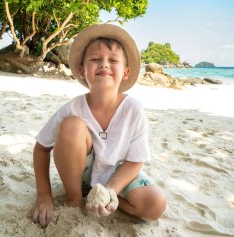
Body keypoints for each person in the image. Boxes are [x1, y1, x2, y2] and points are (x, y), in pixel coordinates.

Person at [32, 24, 166, 227]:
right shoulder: (73, 108)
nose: (104, 64)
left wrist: (111, 189)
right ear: (81, 70)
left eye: (113, 60)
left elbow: (135, 161)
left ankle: (108, 199)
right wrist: (44, 194)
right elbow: (41, 148)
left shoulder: (134, 110)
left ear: (126, 72)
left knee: (156, 205)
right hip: (80, 177)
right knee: (72, 127)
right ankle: (75, 199)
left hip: (118, 175)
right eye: (95, 60)